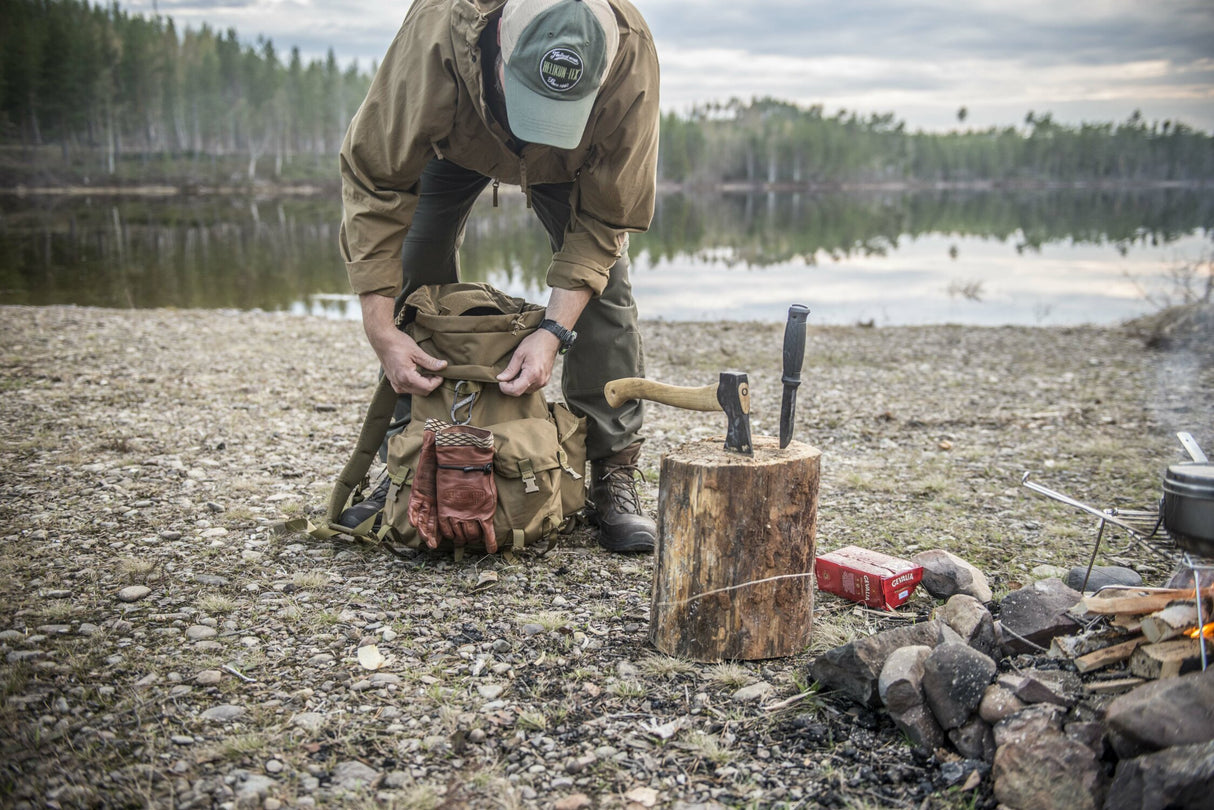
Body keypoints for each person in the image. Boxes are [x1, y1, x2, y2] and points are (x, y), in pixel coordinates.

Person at [335, 0, 660, 553]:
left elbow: (607, 217)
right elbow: (376, 180)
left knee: (604, 291)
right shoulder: (437, 33)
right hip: (456, 138)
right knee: (415, 275)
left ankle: (610, 470)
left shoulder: (631, 61)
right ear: (498, 47)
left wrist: (552, 332)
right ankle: (411, 455)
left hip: (572, 161)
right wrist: (380, 328)